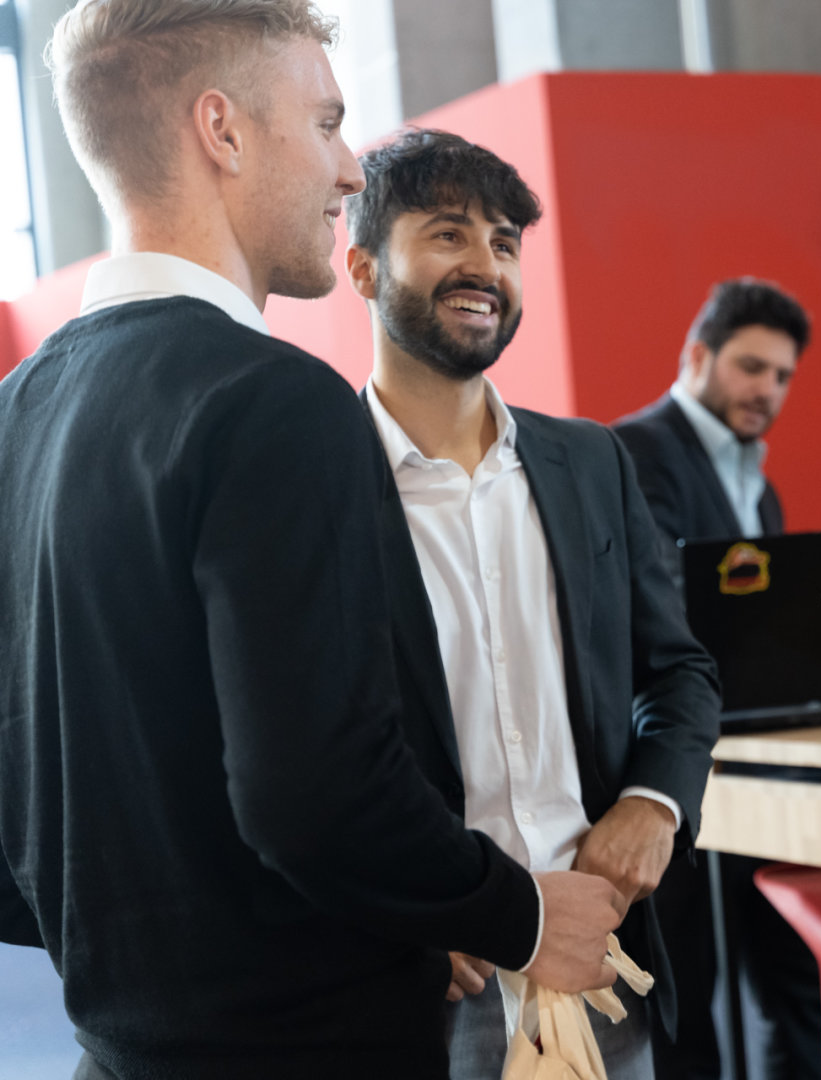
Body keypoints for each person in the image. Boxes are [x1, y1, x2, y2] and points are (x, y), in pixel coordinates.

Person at [0, 4, 623, 1078]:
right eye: (327, 122)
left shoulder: (20, 409)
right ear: (222, 130)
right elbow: (316, 795)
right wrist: (517, 913)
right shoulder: (275, 399)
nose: (348, 169)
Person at [343, 128, 721, 1080]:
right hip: (427, 979)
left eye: (505, 243)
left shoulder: (589, 462)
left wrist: (654, 803)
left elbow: (678, 671)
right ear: (362, 268)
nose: (485, 266)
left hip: (601, 953)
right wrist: (404, 909)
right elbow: (296, 755)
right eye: (447, 234)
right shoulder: (317, 481)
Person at [614, 280, 821, 1080]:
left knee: (795, 985)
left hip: (755, 774)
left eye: (782, 376)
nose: (767, 389)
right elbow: (662, 620)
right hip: (672, 774)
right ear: (697, 356)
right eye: (750, 366)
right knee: (686, 1010)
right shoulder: (637, 453)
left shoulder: (759, 488)